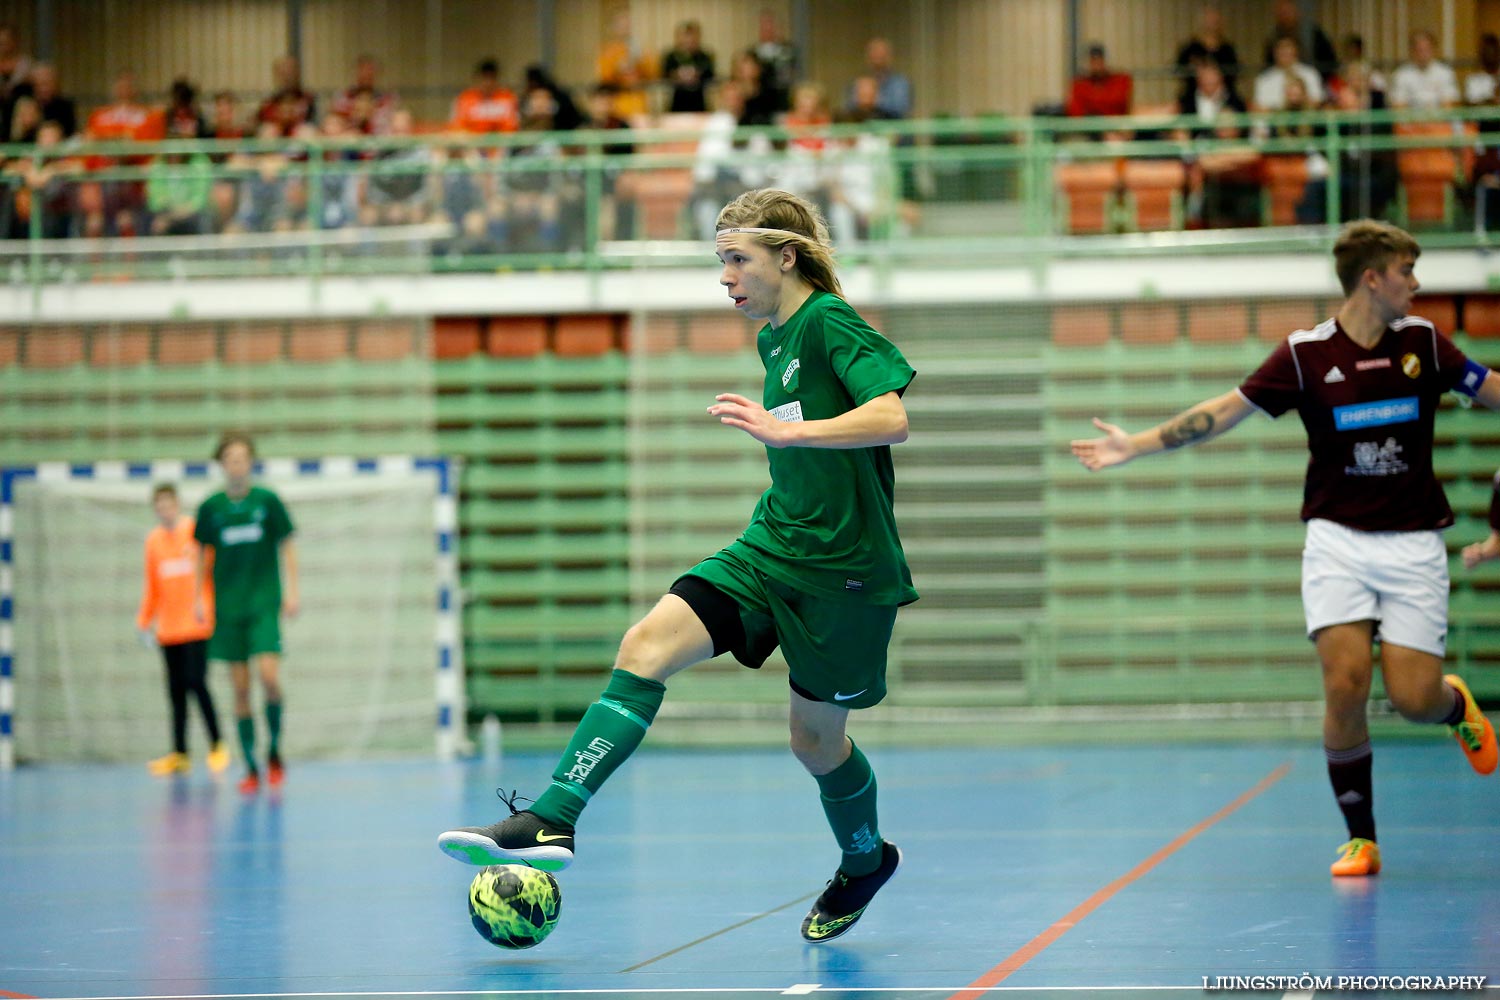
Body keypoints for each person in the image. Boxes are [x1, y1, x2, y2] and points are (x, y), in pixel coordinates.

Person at [438, 187, 918, 943]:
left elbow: (892, 416)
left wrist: (790, 435)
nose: (725, 277)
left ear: (786, 257)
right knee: (645, 647)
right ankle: (552, 820)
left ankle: (864, 861)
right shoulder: (772, 337)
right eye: (719, 261)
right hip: (771, 547)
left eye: (737, 260)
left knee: (816, 743)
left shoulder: (828, 321)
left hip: (846, 574)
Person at [1071, 220, 1500, 878]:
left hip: (1414, 542)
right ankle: (1362, 838)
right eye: (1407, 271)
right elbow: (1222, 411)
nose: (1416, 285)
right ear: (1371, 278)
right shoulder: (1304, 356)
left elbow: (1488, 388)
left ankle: (1453, 705)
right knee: (1345, 685)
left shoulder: (1423, 344)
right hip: (1337, 544)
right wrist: (1138, 444)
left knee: (1412, 698)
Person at [194, 432, 299, 795]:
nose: (236, 464)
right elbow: (200, 555)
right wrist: (198, 598)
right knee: (240, 690)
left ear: (251, 461)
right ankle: (251, 766)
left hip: (263, 603)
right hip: (228, 607)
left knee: (269, 678)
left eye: (242, 457)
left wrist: (292, 592)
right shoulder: (211, 508)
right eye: (230, 458)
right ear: (221, 464)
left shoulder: (267, 501)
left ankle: (274, 751)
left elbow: (286, 545)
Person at [136, 483, 228, 778]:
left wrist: (209, 606)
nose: (165, 510)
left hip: (197, 624)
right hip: (169, 629)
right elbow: (153, 586)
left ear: (177, 504)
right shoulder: (153, 542)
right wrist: (144, 621)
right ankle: (180, 753)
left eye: (169, 504)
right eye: (159, 506)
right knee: (175, 690)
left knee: (196, 682)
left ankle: (217, 744)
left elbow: (213, 569)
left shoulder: (195, 532)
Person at [1175, 5, 1240, 105]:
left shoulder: (1227, 49)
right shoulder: (1190, 48)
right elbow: (1180, 69)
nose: (1212, 24)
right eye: (1209, 21)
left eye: (1215, 21)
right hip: (1193, 96)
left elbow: (1235, 72)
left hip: (1223, 96)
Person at [1264, 0, 1337, 83]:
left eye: (1287, 12)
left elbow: (1329, 61)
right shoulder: (1273, 37)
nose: (1285, 16)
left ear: (1296, 12)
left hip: (1315, 80)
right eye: (1281, 12)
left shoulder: (1313, 33)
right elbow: (1268, 64)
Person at [1389, 30, 1459, 110]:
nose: (1423, 54)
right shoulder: (1401, 74)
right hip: (1410, 121)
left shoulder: (1445, 72)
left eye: (1426, 49)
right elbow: (1398, 107)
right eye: (1419, 49)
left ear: (1434, 49)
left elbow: (1449, 105)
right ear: (1412, 51)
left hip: (1439, 120)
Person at [449, 58, 520, 134]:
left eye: (492, 78)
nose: (488, 83)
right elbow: (457, 127)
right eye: (484, 78)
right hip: (472, 143)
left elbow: (512, 128)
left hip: (501, 143)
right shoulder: (465, 99)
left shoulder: (507, 98)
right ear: (476, 78)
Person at [1253, 36, 1324, 111]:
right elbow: (1259, 108)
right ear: (1274, 52)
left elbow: (1317, 101)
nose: (1285, 52)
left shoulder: (1310, 73)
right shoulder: (1264, 79)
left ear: (1296, 50)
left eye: (1288, 48)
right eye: (1281, 48)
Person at [662, 20, 715, 114]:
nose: (689, 40)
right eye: (686, 36)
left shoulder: (705, 57)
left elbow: (710, 76)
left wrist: (697, 75)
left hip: (699, 105)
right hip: (677, 105)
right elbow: (664, 75)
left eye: (692, 36)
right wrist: (676, 76)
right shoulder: (671, 57)